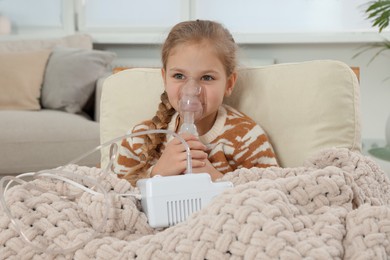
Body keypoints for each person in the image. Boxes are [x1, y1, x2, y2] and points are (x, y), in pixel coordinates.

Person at [114, 20, 278, 186]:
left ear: (229, 84)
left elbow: (271, 197)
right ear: (164, 78)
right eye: (179, 76)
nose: (191, 90)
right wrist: (157, 174)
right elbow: (116, 197)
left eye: (207, 78)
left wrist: (217, 180)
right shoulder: (139, 140)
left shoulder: (246, 139)